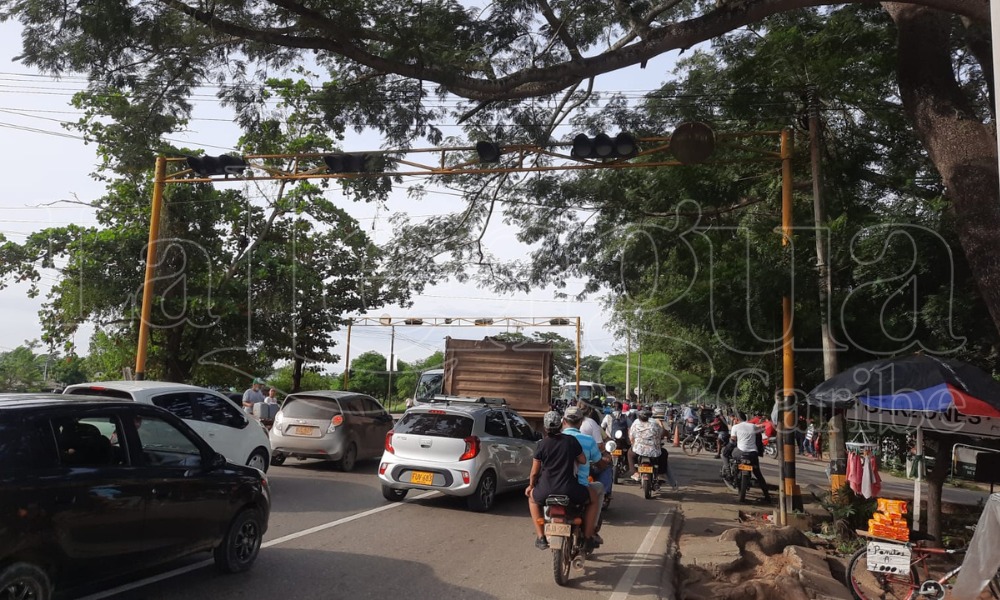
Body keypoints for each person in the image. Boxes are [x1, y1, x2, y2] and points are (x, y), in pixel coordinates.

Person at [526, 411, 600, 552]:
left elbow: (534, 472)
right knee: (594, 498)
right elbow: (583, 460)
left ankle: (541, 537)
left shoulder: (542, 444)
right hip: (569, 488)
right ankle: (589, 537)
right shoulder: (571, 441)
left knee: (532, 499)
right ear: (561, 424)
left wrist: (530, 487)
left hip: (545, 489)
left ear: (545, 428)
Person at [562, 406, 608, 538]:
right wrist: (605, 462)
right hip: (579, 486)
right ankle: (590, 532)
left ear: (564, 421)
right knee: (598, 489)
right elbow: (599, 462)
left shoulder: (553, 440)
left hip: (554, 484)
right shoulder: (587, 440)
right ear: (581, 422)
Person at [730, 411, 772, 503]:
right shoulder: (752, 426)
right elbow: (762, 428)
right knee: (758, 474)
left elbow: (733, 440)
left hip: (740, 452)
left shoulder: (735, 427)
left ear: (737, 419)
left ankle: (735, 474)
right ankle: (767, 496)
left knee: (732, 455)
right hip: (753, 454)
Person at [627, 408, 672, 488]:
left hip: (638, 450)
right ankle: (660, 474)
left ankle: (635, 473)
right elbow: (662, 433)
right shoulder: (655, 423)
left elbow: (631, 436)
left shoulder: (636, 423)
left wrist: (633, 441)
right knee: (664, 453)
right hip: (653, 451)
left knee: (630, 454)